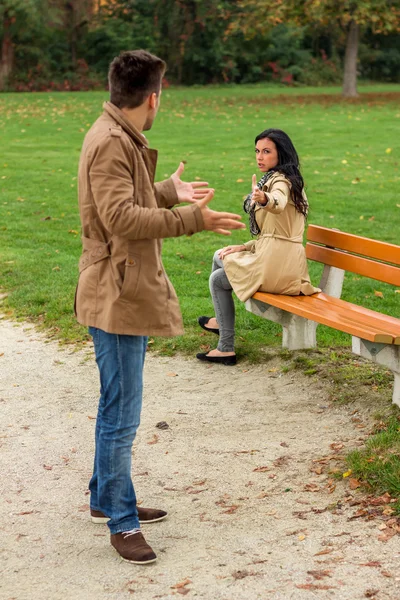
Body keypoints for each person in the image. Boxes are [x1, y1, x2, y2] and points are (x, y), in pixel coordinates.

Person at [75, 49, 245, 565]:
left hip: (123, 288)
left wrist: (166, 190)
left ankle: (106, 497)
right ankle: (121, 520)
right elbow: (122, 217)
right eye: (161, 95)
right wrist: (193, 218)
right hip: (117, 293)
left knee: (116, 402)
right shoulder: (109, 143)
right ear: (153, 97)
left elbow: (129, 198)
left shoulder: (116, 135)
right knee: (121, 412)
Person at [196, 128, 320, 366]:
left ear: (280, 154)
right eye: (257, 151)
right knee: (220, 254)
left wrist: (265, 199)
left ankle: (225, 347)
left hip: (281, 268)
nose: (259, 157)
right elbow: (274, 236)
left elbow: (278, 202)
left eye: (266, 151)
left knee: (217, 279)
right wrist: (243, 246)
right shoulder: (282, 178)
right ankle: (223, 326)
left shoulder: (281, 182)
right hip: (279, 259)